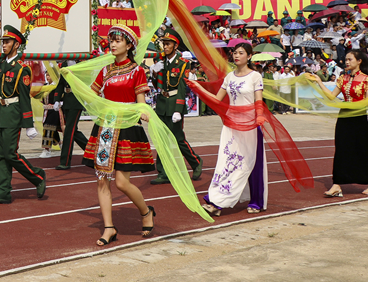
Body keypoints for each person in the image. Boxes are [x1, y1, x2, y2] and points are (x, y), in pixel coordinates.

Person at [82, 25, 155, 245]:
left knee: (122, 183)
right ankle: (109, 228)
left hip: (127, 128)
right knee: (102, 180)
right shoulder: (105, 70)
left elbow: (141, 102)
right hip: (106, 128)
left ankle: (146, 212)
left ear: (129, 45)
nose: (113, 44)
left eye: (118, 41)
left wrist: (143, 112)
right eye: (111, 41)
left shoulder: (137, 71)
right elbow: (92, 94)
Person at [194, 42, 268, 216]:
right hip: (231, 125)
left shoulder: (255, 76)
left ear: (249, 56)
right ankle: (217, 202)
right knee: (227, 162)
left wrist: (259, 115)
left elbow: (258, 100)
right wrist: (199, 88)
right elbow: (217, 100)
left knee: (251, 164)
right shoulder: (229, 77)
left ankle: (256, 201)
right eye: (235, 52)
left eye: (241, 53)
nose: (236, 55)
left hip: (250, 125)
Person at [0, 25, 46, 204]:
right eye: (3, 42)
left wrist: (29, 124)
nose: (3, 45)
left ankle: (38, 177)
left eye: (7, 42)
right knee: (0, 155)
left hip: (13, 114)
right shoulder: (3, 63)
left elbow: (25, 98)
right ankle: (3, 191)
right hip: (0, 113)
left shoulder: (22, 68)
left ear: (16, 44)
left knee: (10, 154)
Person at [306, 50, 368, 197]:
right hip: (344, 117)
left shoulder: (367, 79)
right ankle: (337, 184)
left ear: (359, 61)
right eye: (345, 59)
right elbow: (332, 96)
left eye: (350, 59)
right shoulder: (342, 78)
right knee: (341, 149)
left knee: (363, 150)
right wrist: (319, 82)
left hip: (359, 118)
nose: (346, 62)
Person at [149, 29, 203, 184]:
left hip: (174, 104)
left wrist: (178, 110)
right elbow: (158, 85)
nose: (165, 47)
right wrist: (154, 73)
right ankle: (163, 172)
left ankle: (196, 162)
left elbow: (181, 87)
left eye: (167, 44)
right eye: (163, 44)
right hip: (162, 103)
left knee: (178, 139)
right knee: (161, 139)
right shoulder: (162, 62)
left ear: (175, 45)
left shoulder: (183, 64)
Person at [52, 61, 88, 170]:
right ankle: (92, 151)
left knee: (68, 131)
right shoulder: (64, 65)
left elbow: (85, 82)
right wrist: (57, 99)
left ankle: (65, 162)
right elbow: (61, 84)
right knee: (73, 131)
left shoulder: (81, 65)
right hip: (67, 101)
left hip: (76, 101)